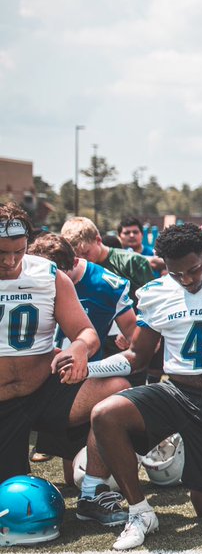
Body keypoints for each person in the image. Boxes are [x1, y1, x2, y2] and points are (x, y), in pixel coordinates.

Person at [82, 223, 202, 549]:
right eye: (176, 273)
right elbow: (137, 357)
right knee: (105, 413)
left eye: (193, 269)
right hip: (176, 392)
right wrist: (87, 367)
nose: (187, 279)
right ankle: (140, 512)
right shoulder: (156, 292)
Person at [0, 203, 103, 485]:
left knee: (115, 389)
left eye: (18, 251)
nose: (10, 261)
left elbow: (86, 332)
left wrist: (78, 349)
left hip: (41, 389)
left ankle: (94, 489)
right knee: (12, 494)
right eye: (1, 253)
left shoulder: (48, 275)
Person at [61, 217, 156, 299]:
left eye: (86, 253)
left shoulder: (133, 262)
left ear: (98, 240)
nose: (82, 259)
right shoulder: (72, 268)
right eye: (76, 256)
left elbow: (152, 300)